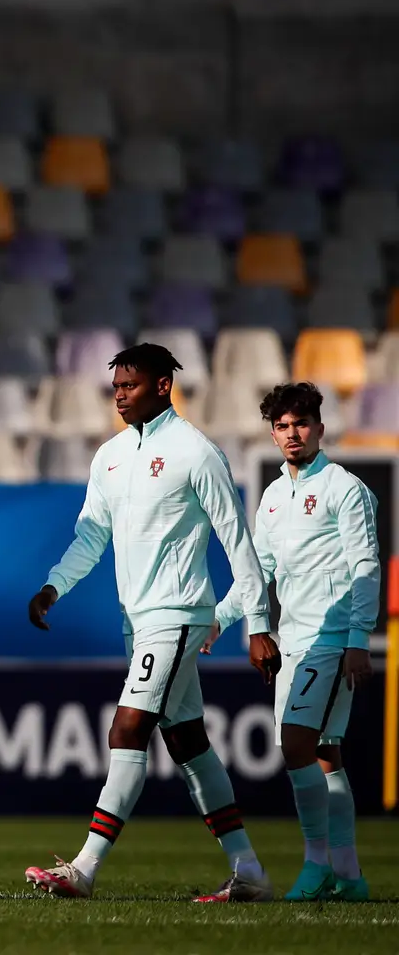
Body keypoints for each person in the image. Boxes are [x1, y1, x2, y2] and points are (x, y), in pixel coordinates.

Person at [24, 343, 277, 902]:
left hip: (178, 613)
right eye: (115, 386)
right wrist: (54, 585)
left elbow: (236, 540)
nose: (119, 395)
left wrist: (257, 624)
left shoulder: (196, 452)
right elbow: (91, 533)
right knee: (188, 742)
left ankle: (84, 869)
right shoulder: (109, 455)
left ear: (163, 386)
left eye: (130, 386)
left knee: (126, 728)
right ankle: (250, 870)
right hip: (136, 620)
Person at [205, 382, 379, 901]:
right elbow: (261, 570)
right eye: (281, 426)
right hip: (293, 639)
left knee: (295, 743)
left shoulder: (345, 489)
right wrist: (218, 618)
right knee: (326, 754)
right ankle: (350, 877)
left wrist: (357, 638)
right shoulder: (276, 495)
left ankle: (316, 864)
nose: (291, 434)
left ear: (320, 428)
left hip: (330, 638)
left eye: (300, 423)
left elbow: (366, 566)